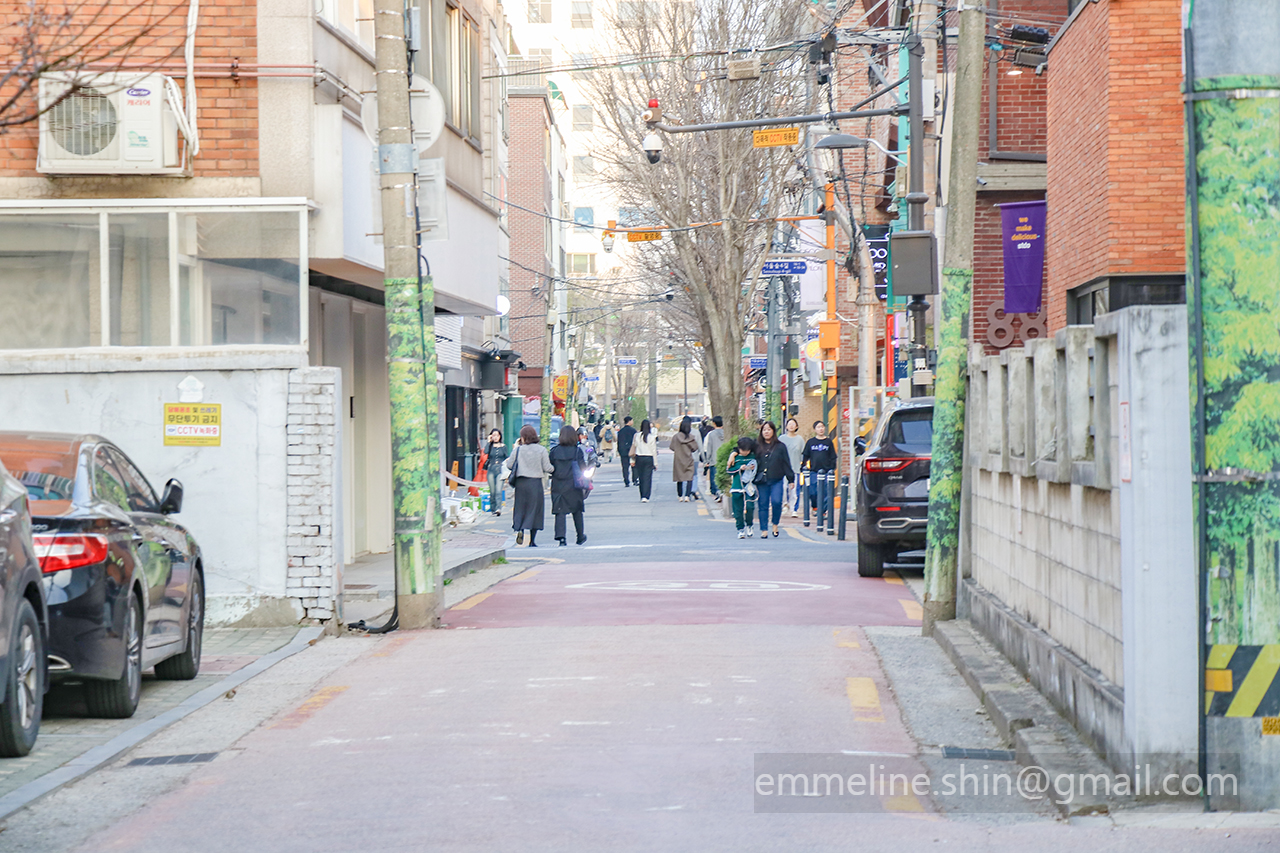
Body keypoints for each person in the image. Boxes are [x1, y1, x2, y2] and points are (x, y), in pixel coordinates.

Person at [509, 425, 553, 546]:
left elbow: (509, 465)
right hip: (535, 483)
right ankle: (532, 541)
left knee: (520, 508)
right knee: (535, 510)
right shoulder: (541, 450)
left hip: (521, 483)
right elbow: (547, 468)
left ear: (523, 437)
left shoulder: (518, 450)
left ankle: (520, 529)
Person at [550, 425, 589, 546]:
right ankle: (580, 536)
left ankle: (561, 538)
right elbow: (583, 468)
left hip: (558, 484)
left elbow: (550, 467)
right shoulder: (577, 451)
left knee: (560, 511)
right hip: (574, 484)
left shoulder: (554, 451)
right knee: (577, 510)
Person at [755, 420, 795, 538]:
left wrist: (791, 479)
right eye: (764, 430)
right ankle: (764, 529)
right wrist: (734, 454)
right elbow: (743, 449)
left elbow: (786, 463)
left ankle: (775, 524)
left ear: (773, 431)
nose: (766, 432)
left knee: (777, 502)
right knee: (763, 504)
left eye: (769, 429)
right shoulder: (756, 445)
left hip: (777, 479)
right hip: (762, 480)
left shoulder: (780, 446)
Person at [802, 420, 839, 533]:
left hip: (827, 471)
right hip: (814, 471)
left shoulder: (828, 442)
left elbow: (833, 456)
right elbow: (805, 456)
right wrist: (804, 467)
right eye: (818, 427)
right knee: (813, 491)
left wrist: (832, 468)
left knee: (827, 492)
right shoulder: (810, 442)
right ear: (815, 429)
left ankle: (822, 511)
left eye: (822, 427)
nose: (821, 429)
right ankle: (815, 507)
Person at [725, 436, 759, 539]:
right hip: (737, 487)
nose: (745, 452)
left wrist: (752, 468)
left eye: (747, 450)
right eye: (743, 450)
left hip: (749, 487)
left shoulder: (753, 456)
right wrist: (739, 468)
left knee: (750, 507)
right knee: (738, 510)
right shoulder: (735, 457)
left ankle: (749, 525)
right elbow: (729, 470)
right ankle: (740, 529)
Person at [668, 416, 701, 502]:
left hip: (678, 459)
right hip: (689, 459)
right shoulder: (691, 437)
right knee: (689, 477)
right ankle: (687, 495)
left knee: (680, 478)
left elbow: (672, 447)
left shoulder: (676, 437)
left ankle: (680, 496)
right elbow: (695, 448)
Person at [780, 417, 805, 518]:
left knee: (795, 490)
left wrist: (803, 465)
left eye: (793, 424)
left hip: (795, 468)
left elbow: (803, 453)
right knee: (783, 488)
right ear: (786, 426)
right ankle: (784, 505)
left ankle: (794, 509)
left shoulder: (800, 439)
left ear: (797, 426)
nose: (791, 426)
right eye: (789, 424)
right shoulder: (781, 439)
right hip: (782, 469)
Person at [630, 418, 658, 502]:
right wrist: (655, 463)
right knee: (647, 478)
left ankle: (642, 495)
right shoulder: (652, 437)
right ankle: (646, 496)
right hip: (649, 458)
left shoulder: (636, 436)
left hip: (639, 458)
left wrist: (632, 461)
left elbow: (633, 448)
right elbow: (654, 451)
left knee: (641, 477)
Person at [483, 428, 508, 516]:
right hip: (491, 468)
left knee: (498, 490)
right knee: (492, 491)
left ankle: (498, 508)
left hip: (500, 469)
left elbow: (506, 457)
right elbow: (485, 452)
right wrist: (488, 441)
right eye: (493, 435)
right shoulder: (490, 446)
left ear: (500, 436)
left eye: (497, 435)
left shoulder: (503, 446)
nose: (495, 437)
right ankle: (493, 508)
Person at [703, 416, 726, 502]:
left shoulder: (711, 434)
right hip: (724, 459)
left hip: (714, 460)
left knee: (715, 478)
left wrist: (707, 460)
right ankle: (723, 493)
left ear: (714, 423)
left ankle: (718, 494)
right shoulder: (726, 433)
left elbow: (709, 448)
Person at [616, 416, 637, 486]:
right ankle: (635, 479)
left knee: (625, 467)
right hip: (632, 451)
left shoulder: (621, 431)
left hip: (623, 451)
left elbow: (618, 442)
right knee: (634, 466)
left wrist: (619, 451)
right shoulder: (633, 431)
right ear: (629, 421)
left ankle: (626, 481)